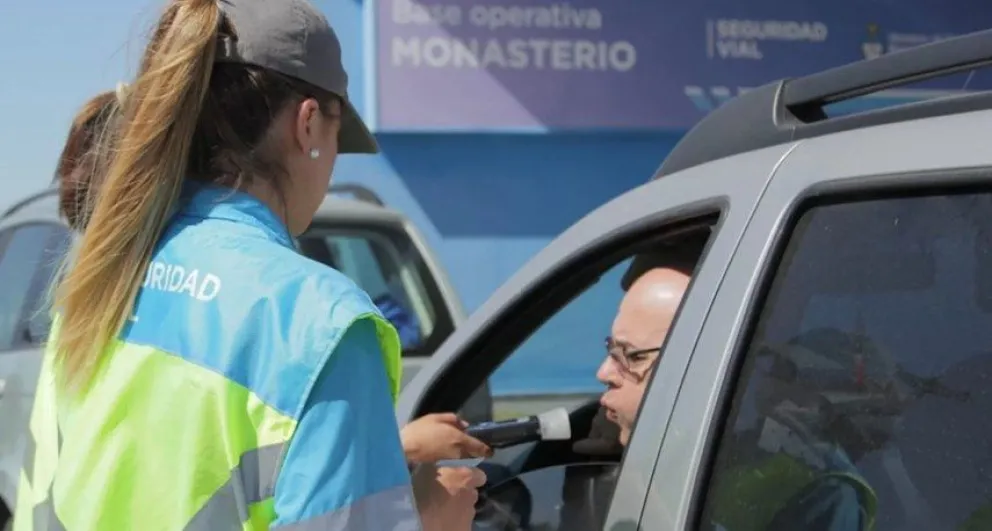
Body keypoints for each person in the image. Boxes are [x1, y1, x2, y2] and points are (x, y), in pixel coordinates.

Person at [15, 1, 483, 529]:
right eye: (336, 138)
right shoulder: (319, 321)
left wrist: (382, 457)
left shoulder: (99, 279)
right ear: (307, 125)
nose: (331, 163)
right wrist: (427, 516)